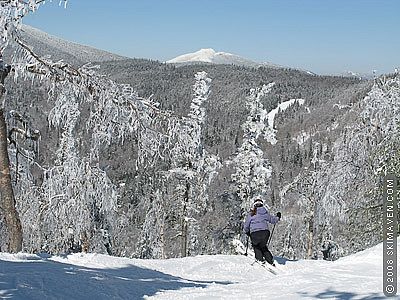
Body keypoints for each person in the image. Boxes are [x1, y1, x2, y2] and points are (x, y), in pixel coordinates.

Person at [244, 198, 281, 266]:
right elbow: (273, 220)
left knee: (256, 245)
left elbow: (246, 225)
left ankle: (259, 259)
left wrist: (247, 232)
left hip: (254, 233)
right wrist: (278, 217)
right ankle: (270, 259)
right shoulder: (265, 212)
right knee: (263, 245)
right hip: (265, 233)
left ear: (254, 205)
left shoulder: (251, 214)